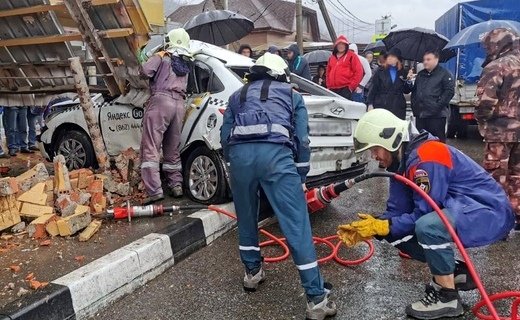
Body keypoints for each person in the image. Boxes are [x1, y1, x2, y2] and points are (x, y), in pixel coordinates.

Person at [338, 108, 514, 320]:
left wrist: (385, 225)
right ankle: (456, 273)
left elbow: (426, 212)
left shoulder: (428, 156)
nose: (374, 156)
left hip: (487, 211)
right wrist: (376, 226)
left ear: (390, 139)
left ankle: (447, 298)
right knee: (393, 231)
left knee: (428, 226)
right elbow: (398, 211)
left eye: (375, 149)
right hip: (463, 208)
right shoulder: (402, 162)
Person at [220, 52, 336, 320]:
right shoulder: (292, 95)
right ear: (280, 74)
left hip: (240, 160)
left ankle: (252, 273)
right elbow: (302, 139)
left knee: (247, 218)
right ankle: (316, 299)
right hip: (276, 159)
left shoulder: (236, 96)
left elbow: (225, 137)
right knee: (296, 224)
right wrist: (301, 174)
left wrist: (236, 165)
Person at [139, 28, 192, 204]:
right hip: (179, 105)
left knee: (151, 146)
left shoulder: (164, 56)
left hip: (161, 101)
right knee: (172, 147)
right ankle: (176, 185)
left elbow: (145, 72)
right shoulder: (185, 62)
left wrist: (149, 57)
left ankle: (154, 190)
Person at [476, 28, 520, 230]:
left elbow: (485, 103)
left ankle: (498, 224)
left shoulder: (496, 67)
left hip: (499, 133)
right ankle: (517, 218)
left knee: (496, 179)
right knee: (517, 176)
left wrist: (483, 122)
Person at [407, 50, 455, 142]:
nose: (425, 62)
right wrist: (409, 80)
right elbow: (412, 90)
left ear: (436, 59)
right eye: (424, 60)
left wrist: (437, 106)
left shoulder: (444, 74)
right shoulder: (421, 75)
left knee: (436, 143)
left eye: (428, 59)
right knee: (422, 143)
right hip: (421, 115)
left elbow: (449, 92)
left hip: (436, 116)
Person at [366, 48, 410, 119]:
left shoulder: (403, 72)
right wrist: (370, 103)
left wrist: (408, 80)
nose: (389, 58)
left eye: (392, 56)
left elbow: (406, 90)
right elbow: (373, 88)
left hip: (398, 107)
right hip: (382, 105)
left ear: (397, 59)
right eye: (388, 56)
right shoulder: (380, 71)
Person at [326, 35, 363, 100]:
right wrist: (328, 86)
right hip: (332, 89)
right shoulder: (331, 57)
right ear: (336, 46)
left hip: (345, 89)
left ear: (346, 45)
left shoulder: (352, 56)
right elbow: (328, 72)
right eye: (339, 44)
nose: (341, 46)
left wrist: (351, 87)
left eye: (343, 44)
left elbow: (359, 72)